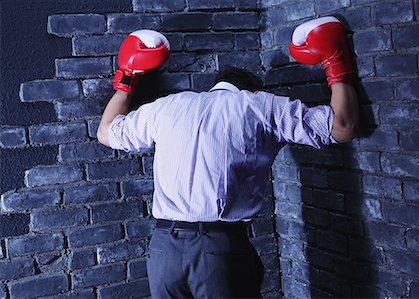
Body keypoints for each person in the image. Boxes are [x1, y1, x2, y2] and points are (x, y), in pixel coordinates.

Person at [97, 16, 359, 299]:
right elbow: (342, 127)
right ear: (251, 89)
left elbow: (106, 133)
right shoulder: (257, 104)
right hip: (216, 248)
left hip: (163, 252)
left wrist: (127, 77)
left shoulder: (168, 106)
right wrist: (336, 62)